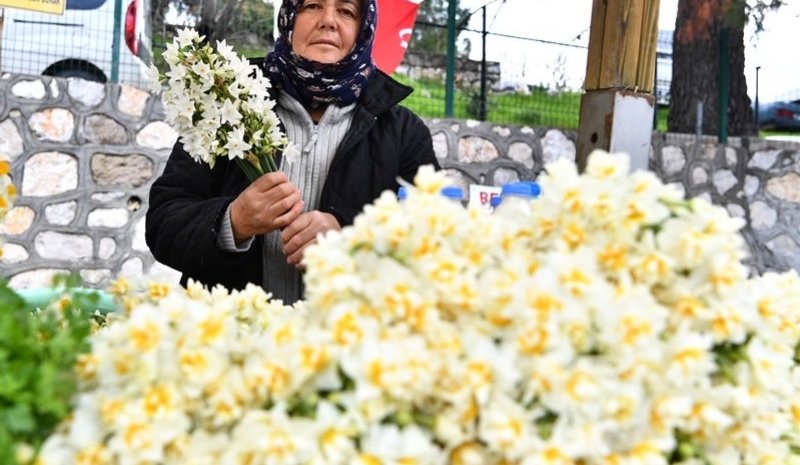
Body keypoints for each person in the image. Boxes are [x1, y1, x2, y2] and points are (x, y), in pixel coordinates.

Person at [145, 0, 440, 303]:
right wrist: (233, 222)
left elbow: (435, 239)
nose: (328, 21)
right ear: (288, 19)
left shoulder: (403, 132)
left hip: (346, 342)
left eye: (347, 11)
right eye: (312, 6)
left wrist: (355, 239)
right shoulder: (226, 101)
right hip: (229, 338)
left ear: (363, 29)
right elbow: (163, 224)